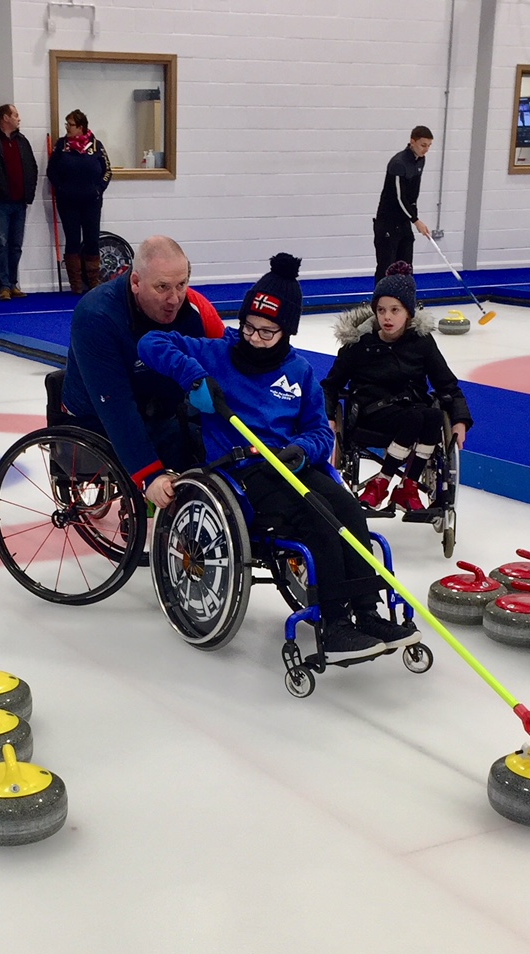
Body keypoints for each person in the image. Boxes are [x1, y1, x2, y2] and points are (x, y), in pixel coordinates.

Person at [138, 254, 420, 655]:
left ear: (286, 331)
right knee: (319, 520)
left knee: (349, 511)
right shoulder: (217, 354)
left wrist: (301, 450)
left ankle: (367, 611)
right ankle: (335, 624)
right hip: (242, 472)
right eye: (249, 327)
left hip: (290, 464)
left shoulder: (299, 371)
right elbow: (151, 342)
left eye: (267, 332)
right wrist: (193, 377)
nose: (254, 338)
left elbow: (320, 431)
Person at [60, 236, 217, 510]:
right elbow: (115, 406)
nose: (174, 298)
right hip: (96, 415)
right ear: (135, 282)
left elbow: (215, 366)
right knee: (171, 443)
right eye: (162, 287)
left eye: (182, 285)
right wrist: (150, 474)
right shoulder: (96, 316)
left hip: (157, 403)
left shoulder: (190, 309)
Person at [322, 261, 473, 513]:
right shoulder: (359, 344)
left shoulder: (422, 343)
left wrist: (460, 419)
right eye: (381, 310)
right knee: (417, 418)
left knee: (434, 416)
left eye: (395, 310)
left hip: (413, 411)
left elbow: (447, 385)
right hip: (371, 414)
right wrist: (328, 416)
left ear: (408, 313)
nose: (387, 317)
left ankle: (407, 486)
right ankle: (383, 482)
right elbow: (330, 386)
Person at [0, 104, 38, 301]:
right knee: (0, 244)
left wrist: (29, 193)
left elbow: (32, 167)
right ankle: (3, 285)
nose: (19, 118)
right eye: (15, 115)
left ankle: (13, 283)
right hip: (0, 202)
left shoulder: (22, 141)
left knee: (16, 245)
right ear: (5, 118)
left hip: (20, 201)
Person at [47, 109, 111, 294]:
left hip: (91, 201)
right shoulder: (61, 145)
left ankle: (93, 283)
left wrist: (99, 189)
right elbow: (51, 171)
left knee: (92, 240)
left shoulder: (96, 145)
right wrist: (61, 188)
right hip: (68, 202)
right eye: (66, 124)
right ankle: (76, 285)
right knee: (73, 240)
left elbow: (107, 171)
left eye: (71, 125)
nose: (67, 127)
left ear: (81, 127)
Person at [373, 126, 433, 284]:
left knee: (406, 267)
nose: (426, 149)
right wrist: (416, 220)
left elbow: (413, 194)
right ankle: (381, 298)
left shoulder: (420, 160)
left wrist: (414, 216)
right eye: (423, 145)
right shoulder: (398, 163)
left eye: (429, 145)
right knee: (387, 267)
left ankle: (403, 298)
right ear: (412, 142)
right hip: (388, 222)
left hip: (404, 222)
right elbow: (399, 197)